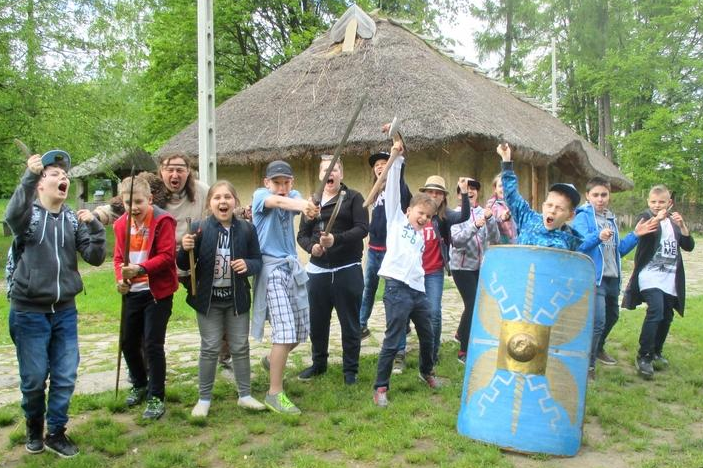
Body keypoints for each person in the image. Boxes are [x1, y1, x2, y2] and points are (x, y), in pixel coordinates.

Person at [6, 151, 106, 457]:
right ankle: (34, 426)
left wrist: (96, 228)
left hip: (65, 311)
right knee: (34, 379)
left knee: (65, 375)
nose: (63, 178)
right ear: (40, 184)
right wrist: (28, 176)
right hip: (28, 312)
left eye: (65, 175)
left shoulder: (72, 220)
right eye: (54, 174)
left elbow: (95, 257)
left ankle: (56, 432)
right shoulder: (29, 217)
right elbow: (12, 215)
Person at [178, 181, 266, 416]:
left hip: (237, 299)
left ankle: (245, 396)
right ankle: (204, 399)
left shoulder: (247, 229)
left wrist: (247, 265)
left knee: (240, 347)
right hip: (208, 301)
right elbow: (183, 264)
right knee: (209, 348)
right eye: (217, 197)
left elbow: (257, 261)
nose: (223, 201)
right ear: (210, 203)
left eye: (227, 197)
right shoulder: (198, 228)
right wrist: (184, 248)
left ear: (235, 201)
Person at [373, 139, 442, 408]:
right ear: (408, 210)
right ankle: (380, 387)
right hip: (396, 289)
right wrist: (398, 159)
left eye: (428, 216)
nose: (423, 218)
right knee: (393, 340)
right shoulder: (396, 221)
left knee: (428, 335)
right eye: (420, 213)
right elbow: (392, 189)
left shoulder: (420, 235)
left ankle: (426, 372)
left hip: (417, 292)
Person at [251, 160, 319, 415]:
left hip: (292, 269)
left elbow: (298, 203)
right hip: (271, 272)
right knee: (285, 332)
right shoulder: (260, 196)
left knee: (301, 331)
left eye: (286, 182)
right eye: (276, 182)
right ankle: (274, 393)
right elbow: (279, 203)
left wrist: (309, 209)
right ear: (266, 183)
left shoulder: (294, 195)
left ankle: (272, 360)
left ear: (292, 183)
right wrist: (303, 206)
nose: (281, 187)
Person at [572, 177, 657, 379]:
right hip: (595, 277)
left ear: (609, 196)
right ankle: (587, 366)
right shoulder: (582, 218)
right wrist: (598, 236)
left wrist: (636, 235)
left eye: (604, 195)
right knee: (598, 322)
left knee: (613, 317)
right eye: (595, 195)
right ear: (588, 196)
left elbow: (619, 251)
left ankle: (598, 348)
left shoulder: (611, 219)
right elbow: (578, 246)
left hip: (612, 278)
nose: (600, 199)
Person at [297, 155, 368, 385]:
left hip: (347, 269)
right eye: (325, 170)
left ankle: (350, 370)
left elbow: (362, 229)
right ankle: (319, 364)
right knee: (317, 322)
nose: (330, 173)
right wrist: (312, 248)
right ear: (320, 175)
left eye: (334, 169)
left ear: (341, 174)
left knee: (350, 323)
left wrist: (336, 239)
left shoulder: (353, 198)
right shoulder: (312, 203)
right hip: (318, 272)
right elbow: (302, 235)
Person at [113, 175, 178, 419]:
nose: (134, 207)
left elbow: (167, 256)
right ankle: (139, 383)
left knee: (152, 344)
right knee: (128, 342)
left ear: (150, 199)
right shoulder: (120, 225)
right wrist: (121, 278)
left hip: (157, 292)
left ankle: (156, 396)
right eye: (128, 203)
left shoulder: (163, 221)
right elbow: (118, 258)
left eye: (138, 202)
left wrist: (140, 269)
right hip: (132, 292)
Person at [391, 174, 471, 373]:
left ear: (444, 197)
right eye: (431, 192)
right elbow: (401, 187)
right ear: (424, 193)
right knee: (402, 313)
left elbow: (464, 217)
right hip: (410, 272)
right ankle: (398, 355)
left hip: (433, 272)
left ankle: (431, 355)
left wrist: (464, 193)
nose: (434, 196)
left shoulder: (445, 217)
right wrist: (400, 165)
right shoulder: (414, 211)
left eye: (439, 193)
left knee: (434, 313)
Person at [621, 185, 695, 380]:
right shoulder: (645, 217)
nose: (657, 205)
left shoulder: (674, 222)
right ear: (648, 202)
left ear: (669, 203)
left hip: (670, 277)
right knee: (656, 310)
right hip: (649, 275)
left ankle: (656, 351)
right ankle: (643, 356)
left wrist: (683, 226)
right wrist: (657, 219)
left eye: (661, 202)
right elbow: (643, 231)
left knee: (667, 315)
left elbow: (689, 246)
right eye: (653, 202)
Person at [359, 152, 412, 340]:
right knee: (368, 289)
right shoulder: (377, 191)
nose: (380, 167)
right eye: (377, 165)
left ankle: (403, 326)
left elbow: (400, 176)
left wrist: (396, 160)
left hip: (392, 251)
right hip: (374, 250)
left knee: (395, 292)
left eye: (384, 163)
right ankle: (361, 325)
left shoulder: (398, 189)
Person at [450, 178, 499, 364]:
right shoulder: (454, 215)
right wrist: (475, 225)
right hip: (461, 267)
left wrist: (490, 219)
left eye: (474, 189)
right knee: (472, 305)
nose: (470, 191)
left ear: (478, 193)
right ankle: (464, 350)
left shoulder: (483, 212)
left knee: (475, 304)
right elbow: (457, 241)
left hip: (480, 267)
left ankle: (460, 332)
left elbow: (494, 238)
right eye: (466, 189)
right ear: (459, 195)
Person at [496, 143, 582, 250]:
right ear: (543, 206)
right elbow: (511, 195)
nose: (552, 211)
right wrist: (506, 161)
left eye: (559, 208)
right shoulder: (529, 218)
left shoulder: (563, 246)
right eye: (549, 205)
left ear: (570, 216)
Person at [486, 174, 517, 244]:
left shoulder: (514, 203)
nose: (504, 188)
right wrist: (502, 218)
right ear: (495, 189)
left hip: (515, 244)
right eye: (500, 186)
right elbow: (492, 219)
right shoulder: (492, 204)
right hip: (500, 245)